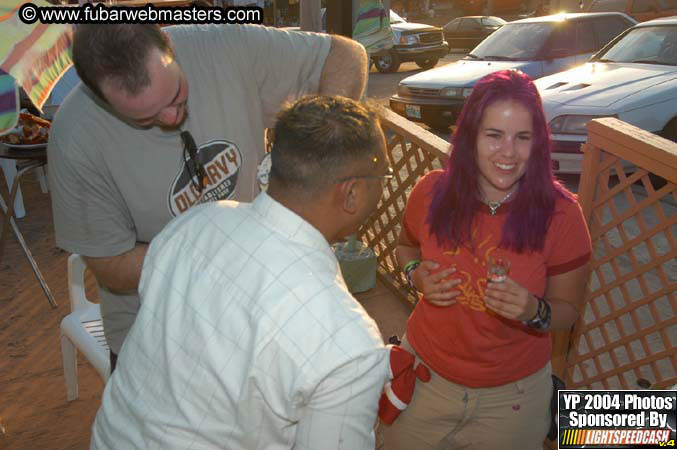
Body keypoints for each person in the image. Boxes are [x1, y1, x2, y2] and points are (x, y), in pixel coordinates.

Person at [47, 24, 368, 371]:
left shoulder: (222, 45)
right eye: (145, 119)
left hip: (258, 312)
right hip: (157, 342)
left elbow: (346, 58)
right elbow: (113, 269)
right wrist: (219, 245)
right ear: (100, 98)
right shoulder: (75, 137)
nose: (171, 118)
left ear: (168, 44)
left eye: (177, 95)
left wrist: (317, 152)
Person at [90, 95, 392, 450]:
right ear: (352, 193)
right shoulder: (348, 344)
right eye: (383, 175)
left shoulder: (193, 223)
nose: (385, 184)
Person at [382, 69, 592, 449]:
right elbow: (405, 247)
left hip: (512, 401)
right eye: (494, 135)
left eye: (522, 137)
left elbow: (569, 311)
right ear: (470, 138)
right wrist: (415, 274)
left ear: (538, 143)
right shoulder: (430, 192)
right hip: (425, 376)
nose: (508, 152)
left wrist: (534, 310)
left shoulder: (562, 215)